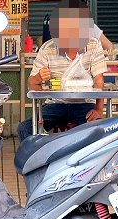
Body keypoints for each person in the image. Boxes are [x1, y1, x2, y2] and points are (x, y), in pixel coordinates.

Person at [20, 8, 109, 140]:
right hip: (55, 105)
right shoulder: (47, 48)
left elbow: (99, 81)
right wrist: (39, 77)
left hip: (84, 104)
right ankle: (38, 160)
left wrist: (98, 110)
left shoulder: (93, 45)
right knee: (24, 128)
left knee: (100, 132)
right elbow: (31, 83)